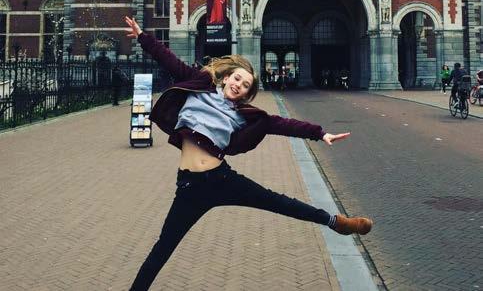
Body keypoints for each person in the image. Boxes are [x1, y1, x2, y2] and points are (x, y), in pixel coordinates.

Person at [124, 16, 373, 290]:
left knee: (279, 202)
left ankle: (336, 222)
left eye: (244, 86)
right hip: (189, 186)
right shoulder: (199, 86)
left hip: (221, 179)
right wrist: (142, 37)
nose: (238, 85)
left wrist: (319, 133)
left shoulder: (242, 115)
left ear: (245, 93)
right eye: (237, 79)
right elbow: (169, 60)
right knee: (162, 249)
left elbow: (280, 124)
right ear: (226, 77)